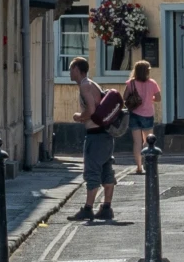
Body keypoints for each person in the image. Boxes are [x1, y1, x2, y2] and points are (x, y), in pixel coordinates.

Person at [69, 56, 119, 222]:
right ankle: (106, 208)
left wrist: (79, 117)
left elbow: (91, 110)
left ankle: (88, 209)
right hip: (105, 134)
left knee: (92, 171)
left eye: (71, 68)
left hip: (95, 136)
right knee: (106, 170)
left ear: (77, 69)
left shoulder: (85, 86)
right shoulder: (92, 83)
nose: (70, 72)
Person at [125, 60, 161, 172]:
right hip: (148, 114)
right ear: (147, 71)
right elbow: (158, 98)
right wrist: (150, 99)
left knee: (137, 142)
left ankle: (139, 167)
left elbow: (124, 97)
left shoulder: (131, 83)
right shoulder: (152, 83)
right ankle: (147, 164)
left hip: (134, 114)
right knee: (148, 141)